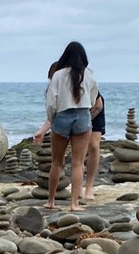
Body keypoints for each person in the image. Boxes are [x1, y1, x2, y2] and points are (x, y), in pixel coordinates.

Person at [32, 42, 98, 211]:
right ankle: (74, 204)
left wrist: (51, 119)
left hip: (62, 116)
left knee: (56, 162)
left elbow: (51, 102)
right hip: (82, 116)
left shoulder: (59, 75)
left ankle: (51, 201)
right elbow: (93, 99)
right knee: (78, 163)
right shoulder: (89, 75)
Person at [84, 92, 105, 202]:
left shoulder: (88, 78)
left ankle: (89, 186)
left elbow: (98, 104)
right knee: (77, 146)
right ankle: (76, 187)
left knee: (93, 145)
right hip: (73, 106)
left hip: (95, 105)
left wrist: (88, 119)